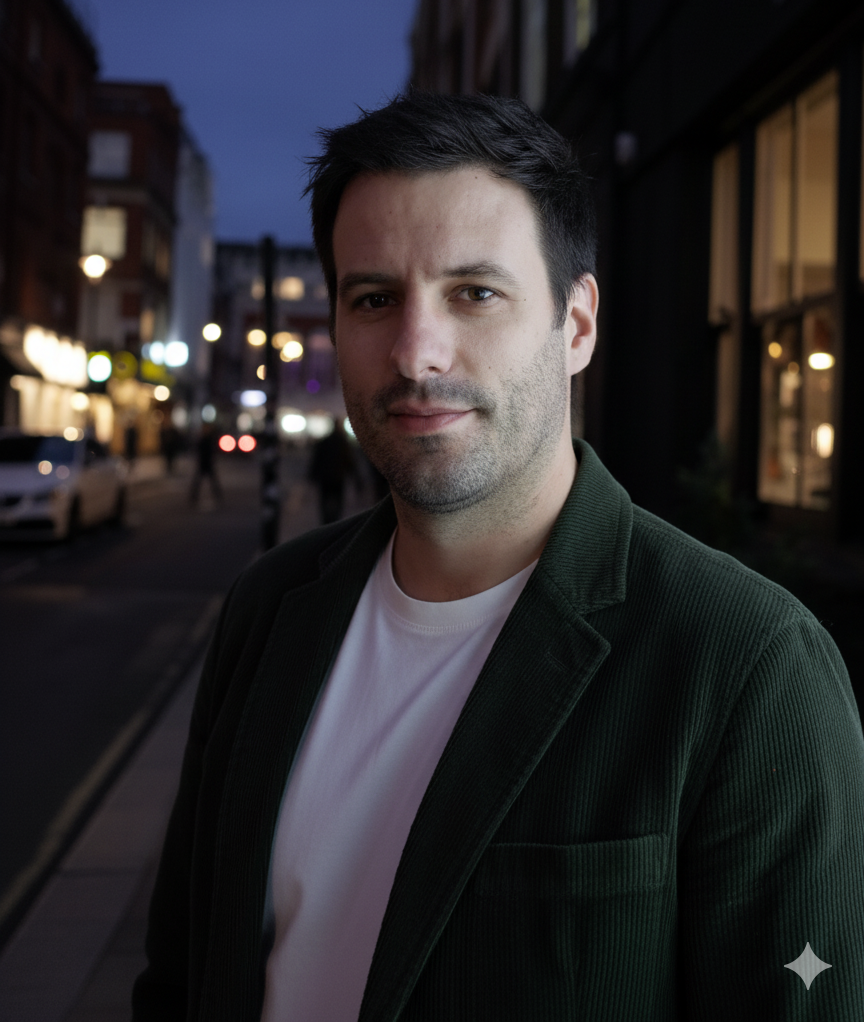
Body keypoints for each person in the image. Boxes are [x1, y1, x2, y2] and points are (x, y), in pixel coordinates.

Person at [133, 92, 864, 1020]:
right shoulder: (269, 608)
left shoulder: (745, 662)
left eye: (474, 292)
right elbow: (179, 977)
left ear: (578, 325)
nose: (416, 350)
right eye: (373, 298)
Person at [307, 419, 357, 523]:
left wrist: (312, 475)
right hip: (338, 477)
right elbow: (349, 461)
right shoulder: (343, 442)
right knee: (338, 501)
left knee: (325, 501)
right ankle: (335, 521)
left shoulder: (325, 441)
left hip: (325, 477)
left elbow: (317, 459)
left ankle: (326, 522)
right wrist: (357, 479)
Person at [188, 423, 223, 506]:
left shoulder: (209, 438)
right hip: (203, 462)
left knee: (211, 481)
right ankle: (194, 496)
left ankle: (218, 496)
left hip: (208, 462)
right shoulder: (203, 438)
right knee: (200, 481)